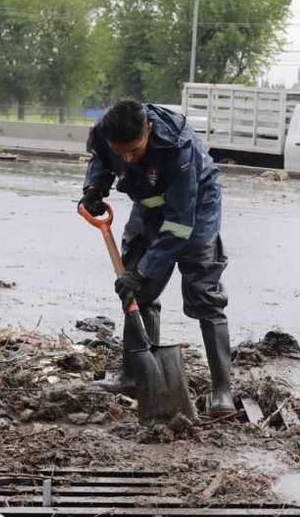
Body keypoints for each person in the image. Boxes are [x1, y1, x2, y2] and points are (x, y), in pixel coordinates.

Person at [79, 99, 234, 417]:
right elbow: (102, 159)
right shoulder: (107, 132)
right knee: (136, 293)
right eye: (121, 151)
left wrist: (145, 270)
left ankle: (222, 391)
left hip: (194, 211)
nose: (127, 158)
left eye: (134, 150)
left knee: (204, 295)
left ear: (149, 128)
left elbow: (179, 225)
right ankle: (133, 376)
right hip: (148, 207)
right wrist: (94, 187)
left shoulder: (178, 148)